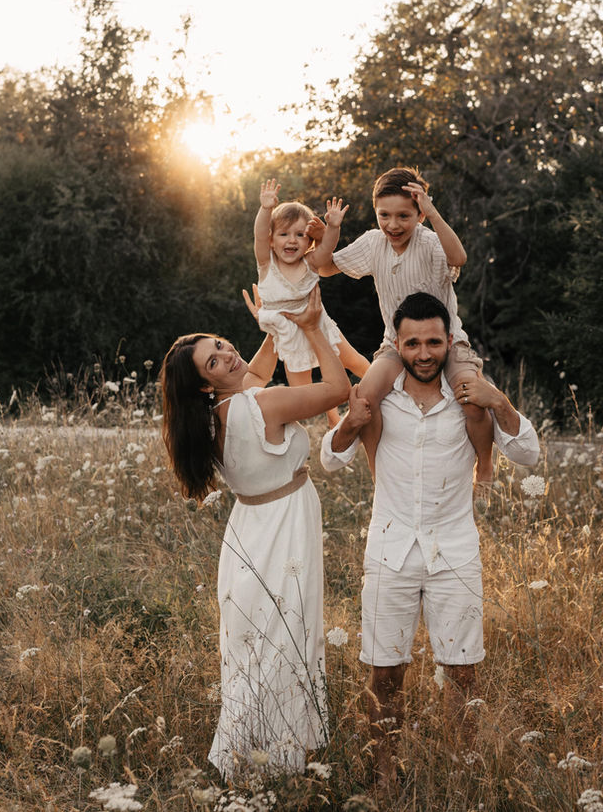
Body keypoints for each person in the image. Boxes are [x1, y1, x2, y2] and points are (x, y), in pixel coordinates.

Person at [320, 291, 540, 787]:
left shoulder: (470, 396)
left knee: (462, 671)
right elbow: (332, 459)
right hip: (390, 549)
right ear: (397, 345)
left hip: (455, 550)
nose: (424, 353)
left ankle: (461, 774)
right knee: (384, 671)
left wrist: (500, 402)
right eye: (413, 343)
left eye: (434, 342)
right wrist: (350, 424)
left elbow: (528, 454)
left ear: (449, 342)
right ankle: (384, 775)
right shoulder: (381, 396)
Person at [159, 287, 350, 780]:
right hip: (283, 527)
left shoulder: (210, 418)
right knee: (284, 641)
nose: (227, 353)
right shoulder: (263, 405)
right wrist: (308, 328)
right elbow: (336, 391)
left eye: (221, 343)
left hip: (248, 532)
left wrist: (274, 326)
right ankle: (277, 763)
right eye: (215, 361)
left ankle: (252, 756)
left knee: (255, 649)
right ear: (206, 384)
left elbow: (256, 375)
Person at [308, 167, 498, 489]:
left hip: (445, 342)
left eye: (404, 216)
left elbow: (460, 257)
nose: (393, 225)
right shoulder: (373, 242)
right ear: (375, 213)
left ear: (419, 215)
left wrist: (433, 212)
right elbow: (324, 267)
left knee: (471, 398)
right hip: (395, 344)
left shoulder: (430, 242)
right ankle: (380, 477)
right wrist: (326, 235)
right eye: (384, 215)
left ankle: (485, 465)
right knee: (366, 397)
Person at [253, 178, 370, 425]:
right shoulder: (266, 264)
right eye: (284, 234)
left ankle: (383, 388)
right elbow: (260, 234)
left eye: (299, 235)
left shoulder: (311, 263)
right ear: (272, 240)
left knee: (352, 360)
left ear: (308, 242)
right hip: (289, 334)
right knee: (303, 392)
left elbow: (327, 248)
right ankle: (332, 417)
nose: (292, 240)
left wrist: (333, 227)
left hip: (319, 325)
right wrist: (265, 209)